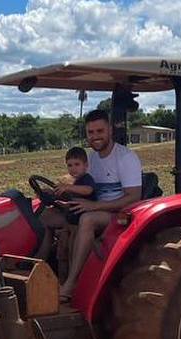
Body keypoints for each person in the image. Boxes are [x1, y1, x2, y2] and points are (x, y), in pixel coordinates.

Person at [59, 109, 142, 302]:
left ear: (109, 130)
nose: (95, 136)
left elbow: (134, 196)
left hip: (122, 216)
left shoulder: (125, 158)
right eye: (91, 132)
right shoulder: (91, 160)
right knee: (48, 215)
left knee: (87, 219)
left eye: (100, 131)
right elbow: (84, 186)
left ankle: (71, 284)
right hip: (97, 208)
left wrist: (94, 206)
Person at [36, 146, 97, 261]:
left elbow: (88, 190)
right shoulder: (77, 182)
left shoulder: (86, 179)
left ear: (86, 165)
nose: (73, 168)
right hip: (72, 216)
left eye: (77, 164)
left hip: (80, 220)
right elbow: (70, 199)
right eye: (70, 165)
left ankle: (45, 261)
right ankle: (41, 259)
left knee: (65, 247)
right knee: (45, 220)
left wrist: (67, 187)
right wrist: (54, 194)